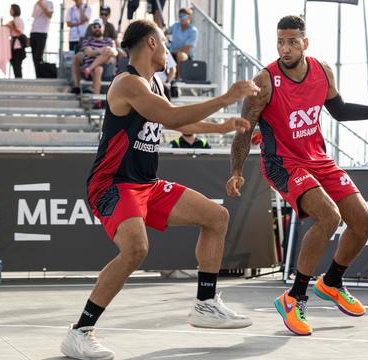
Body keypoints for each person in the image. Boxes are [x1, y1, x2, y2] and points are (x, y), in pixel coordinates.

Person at [60, 19, 259, 360]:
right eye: (165, 42)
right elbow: (170, 118)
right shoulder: (127, 83)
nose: (169, 50)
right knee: (136, 249)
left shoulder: (154, 85)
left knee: (216, 216)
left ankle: (206, 304)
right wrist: (226, 98)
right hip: (113, 183)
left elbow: (177, 118)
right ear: (151, 43)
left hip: (145, 184)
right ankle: (79, 332)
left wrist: (221, 126)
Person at [227, 15, 368, 336]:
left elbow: (339, 110)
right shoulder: (264, 82)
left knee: (364, 222)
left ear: (305, 43)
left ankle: (333, 282)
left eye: (292, 41)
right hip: (284, 163)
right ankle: (294, 297)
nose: (285, 48)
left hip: (318, 158)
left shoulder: (323, 71)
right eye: (280, 41)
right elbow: (244, 130)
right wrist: (237, 170)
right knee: (328, 217)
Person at [74, 19, 117, 106]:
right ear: (92, 29)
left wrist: (99, 51)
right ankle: (97, 100)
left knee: (108, 53)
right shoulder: (87, 41)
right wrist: (102, 50)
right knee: (98, 69)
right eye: (95, 27)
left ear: (103, 28)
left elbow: (114, 53)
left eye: (99, 26)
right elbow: (88, 53)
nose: (97, 28)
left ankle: (88, 70)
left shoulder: (109, 41)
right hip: (92, 66)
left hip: (105, 67)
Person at [167, 8, 197, 80]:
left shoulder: (193, 31)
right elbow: (164, 33)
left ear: (189, 17)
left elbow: (186, 50)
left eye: (184, 16)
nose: (181, 18)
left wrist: (171, 50)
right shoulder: (175, 25)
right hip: (172, 52)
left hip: (186, 56)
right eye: (180, 16)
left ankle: (178, 79)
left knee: (181, 55)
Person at [30, 0, 53, 78]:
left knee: (38, 57)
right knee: (33, 56)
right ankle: (37, 76)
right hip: (33, 32)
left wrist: (42, 5)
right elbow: (34, 17)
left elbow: (49, 15)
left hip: (42, 32)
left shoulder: (48, 3)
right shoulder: (36, 4)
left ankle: (40, 76)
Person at [5, 4, 25, 78]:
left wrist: (12, 27)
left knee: (17, 65)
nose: (10, 11)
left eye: (11, 9)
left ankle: (19, 80)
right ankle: (17, 78)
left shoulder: (19, 20)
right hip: (13, 45)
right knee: (14, 64)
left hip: (18, 45)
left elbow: (20, 32)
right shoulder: (12, 21)